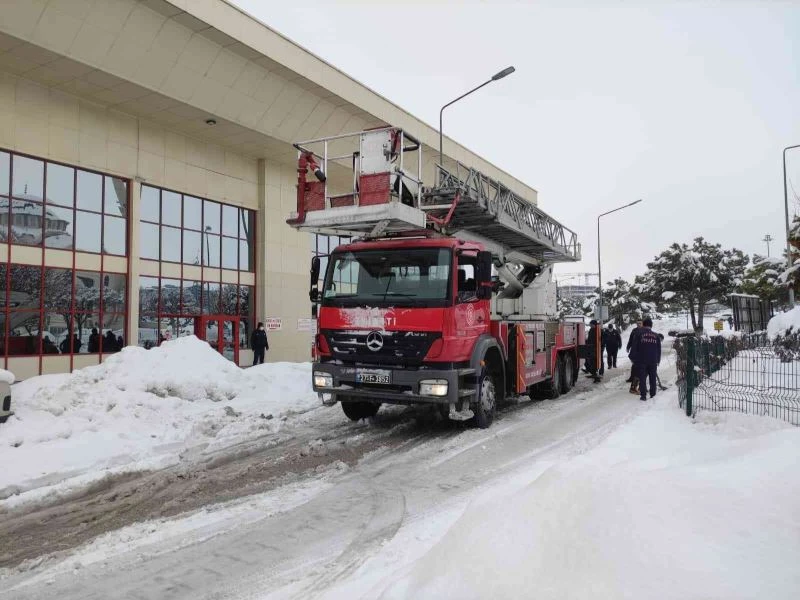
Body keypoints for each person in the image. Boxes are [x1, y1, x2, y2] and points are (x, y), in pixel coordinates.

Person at [629, 317, 662, 401]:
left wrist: (632, 357)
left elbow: (634, 347)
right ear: (651, 325)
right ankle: (653, 395)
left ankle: (643, 396)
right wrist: (658, 360)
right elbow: (658, 349)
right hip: (653, 360)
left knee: (642, 378)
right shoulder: (656, 336)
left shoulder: (639, 334)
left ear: (644, 325)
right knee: (652, 378)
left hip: (642, 360)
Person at [626, 319, 644, 393]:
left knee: (637, 367)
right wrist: (628, 347)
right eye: (637, 323)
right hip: (634, 351)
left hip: (640, 352)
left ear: (642, 324)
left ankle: (636, 383)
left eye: (640, 323)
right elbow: (630, 339)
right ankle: (632, 378)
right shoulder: (634, 330)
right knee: (634, 366)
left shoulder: (644, 331)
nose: (638, 324)